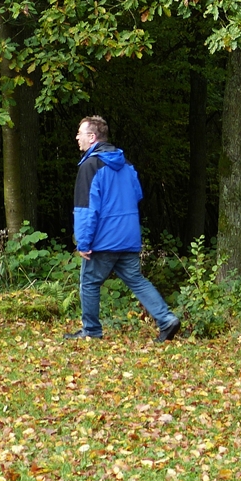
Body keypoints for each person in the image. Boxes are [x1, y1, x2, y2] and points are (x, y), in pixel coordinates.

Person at [64, 116, 181, 343]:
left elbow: (85, 209)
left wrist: (84, 242)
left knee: (89, 282)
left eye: (80, 133)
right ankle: (166, 319)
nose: (77, 137)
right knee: (136, 279)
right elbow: (137, 194)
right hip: (128, 236)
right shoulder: (126, 164)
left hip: (103, 238)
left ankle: (91, 331)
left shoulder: (90, 166)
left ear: (92, 137)